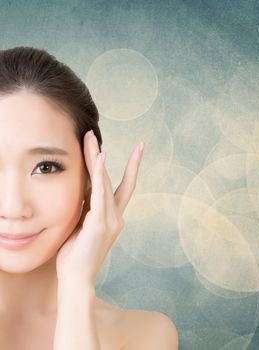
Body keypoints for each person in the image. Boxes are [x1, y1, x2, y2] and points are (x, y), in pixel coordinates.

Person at [0, 46, 179, 350]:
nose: (13, 208)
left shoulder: (144, 335)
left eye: (45, 167)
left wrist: (76, 287)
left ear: (89, 178)